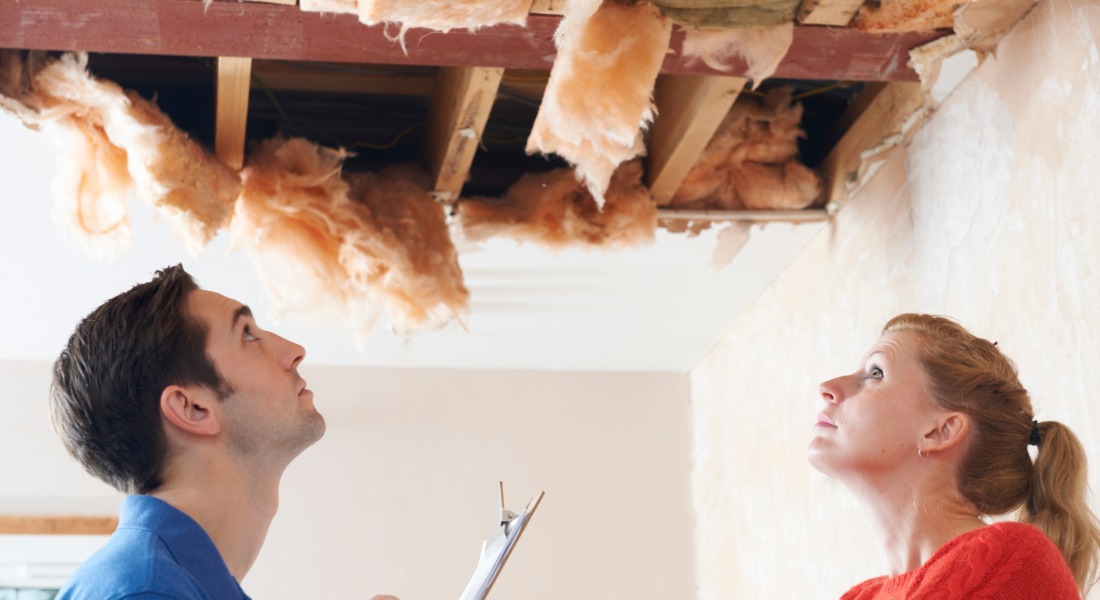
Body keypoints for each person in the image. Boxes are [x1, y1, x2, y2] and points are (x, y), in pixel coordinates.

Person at [49, 265, 387, 599]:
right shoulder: (149, 590)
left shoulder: (158, 583)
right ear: (192, 409)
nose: (294, 350)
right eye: (247, 335)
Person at [809, 313, 1100, 599]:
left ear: (941, 431)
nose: (828, 388)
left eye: (875, 373)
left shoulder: (1009, 561)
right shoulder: (860, 596)